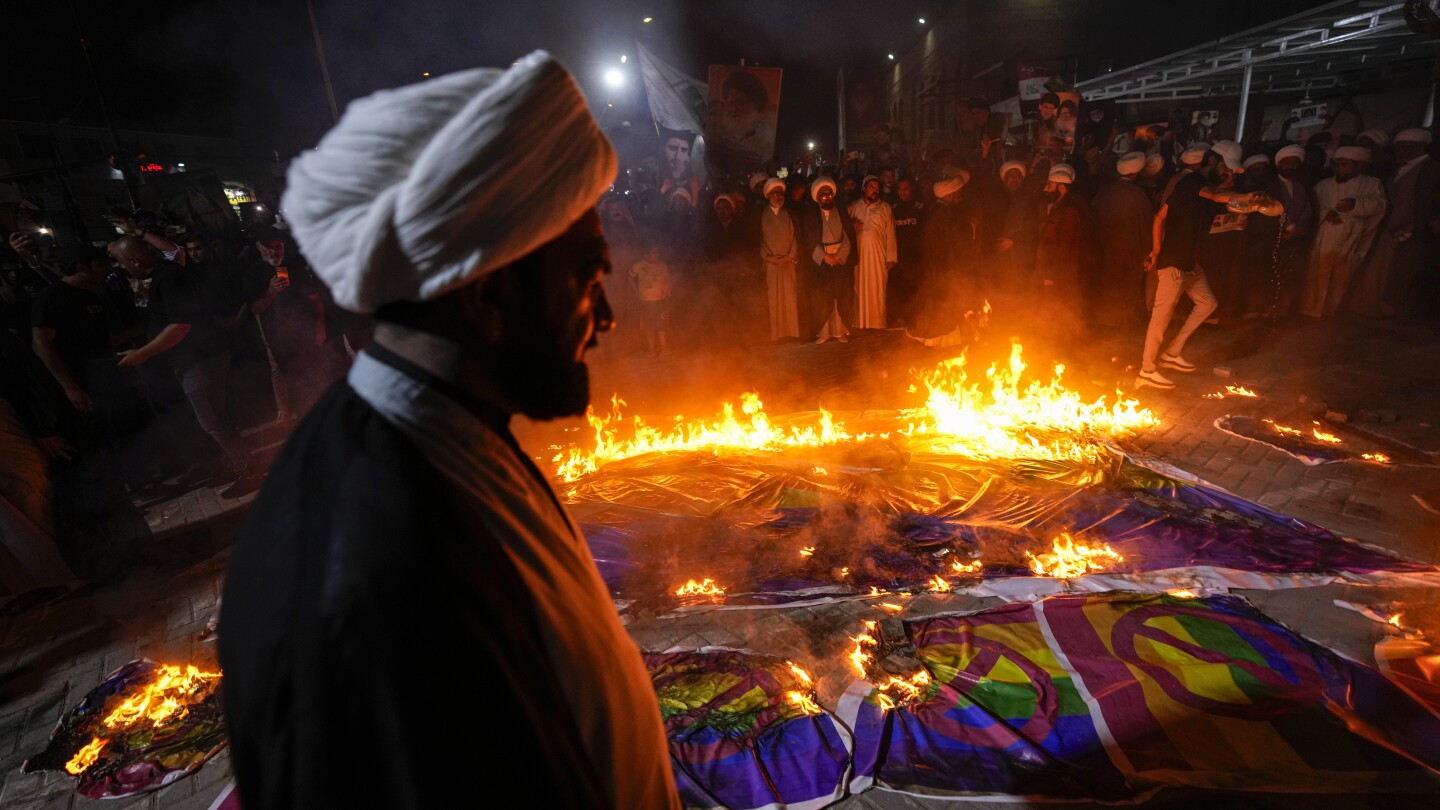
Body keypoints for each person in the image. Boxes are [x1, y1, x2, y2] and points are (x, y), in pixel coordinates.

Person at [219, 53, 680, 809]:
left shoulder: (446, 440)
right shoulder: (371, 575)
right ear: (492, 292)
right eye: (589, 279)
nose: (609, 317)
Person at [109, 236, 257, 495]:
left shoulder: (169, 278)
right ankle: (233, 464)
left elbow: (180, 326)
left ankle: (249, 470)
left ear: (133, 259)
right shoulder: (164, 275)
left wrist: (141, 354)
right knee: (215, 418)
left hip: (200, 359)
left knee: (212, 420)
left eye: (120, 261)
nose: (120, 267)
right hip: (198, 358)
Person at [1139, 141, 1279, 388]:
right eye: (1227, 168)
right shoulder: (1193, 183)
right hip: (1174, 266)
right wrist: (1246, 196)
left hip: (1189, 263)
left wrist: (1155, 249)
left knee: (1208, 303)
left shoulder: (1193, 185)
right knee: (1160, 319)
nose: (1230, 174)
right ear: (1213, 161)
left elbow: (1159, 217)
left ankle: (1171, 354)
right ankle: (1147, 371)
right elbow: (1215, 195)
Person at [1351, 128, 1440, 321]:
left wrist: (1412, 228)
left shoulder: (1431, 170)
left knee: (1402, 273)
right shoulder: (1399, 169)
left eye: (1406, 148)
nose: (1401, 153)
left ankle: (1396, 311)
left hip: (1410, 231)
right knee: (1381, 269)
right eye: (1398, 149)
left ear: (1421, 147)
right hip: (1388, 227)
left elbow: (1428, 203)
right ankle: (1377, 307)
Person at [1304, 146, 1386, 318]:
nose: (1340, 168)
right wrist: (1327, 214)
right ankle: (1312, 309)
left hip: (1351, 238)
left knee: (1341, 278)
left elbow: (1379, 206)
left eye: (1345, 164)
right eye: (1337, 164)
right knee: (1318, 275)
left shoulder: (1372, 184)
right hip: (1325, 238)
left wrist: (1355, 205)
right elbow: (1312, 208)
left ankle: (1331, 311)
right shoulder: (1323, 185)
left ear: (1359, 166)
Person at [1091, 152, 1155, 327]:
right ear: (1135, 173)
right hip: (1129, 251)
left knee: (1106, 285)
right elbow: (1147, 224)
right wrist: (1148, 251)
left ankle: (1102, 321)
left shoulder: (1105, 191)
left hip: (1104, 249)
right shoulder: (1137, 194)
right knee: (1125, 287)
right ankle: (1118, 322)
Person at [799, 177, 857, 343]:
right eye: (823, 195)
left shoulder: (840, 211)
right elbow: (810, 240)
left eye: (829, 194)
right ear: (817, 197)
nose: (827, 198)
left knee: (841, 295)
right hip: (822, 262)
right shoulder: (811, 215)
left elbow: (847, 237)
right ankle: (823, 332)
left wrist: (839, 257)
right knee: (823, 297)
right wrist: (825, 257)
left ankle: (840, 331)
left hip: (840, 260)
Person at [1034, 163, 1086, 335]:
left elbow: (1064, 247)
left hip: (1058, 276)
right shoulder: (1048, 206)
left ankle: (1057, 350)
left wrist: (1051, 276)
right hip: (1044, 271)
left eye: (1049, 185)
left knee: (1056, 313)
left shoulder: (1069, 212)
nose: (1045, 189)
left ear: (1062, 188)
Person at [848, 175, 897, 329]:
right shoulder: (853, 207)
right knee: (859, 288)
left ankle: (877, 323)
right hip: (860, 256)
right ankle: (860, 323)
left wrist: (891, 257)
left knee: (877, 290)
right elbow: (844, 229)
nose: (875, 190)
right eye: (871, 187)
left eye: (877, 188)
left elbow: (891, 233)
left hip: (878, 256)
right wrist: (851, 227)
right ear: (864, 188)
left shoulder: (885, 208)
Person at [759, 177, 801, 339]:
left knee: (790, 297)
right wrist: (770, 258)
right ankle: (777, 335)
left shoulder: (788, 215)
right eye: (775, 194)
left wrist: (790, 257)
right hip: (771, 264)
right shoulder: (762, 215)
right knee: (774, 300)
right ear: (768, 195)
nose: (778, 197)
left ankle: (792, 333)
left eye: (780, 194)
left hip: (788, 263)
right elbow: (759, 240)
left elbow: (795, 238)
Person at [888, 177, 926, 327]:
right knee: (899, 288)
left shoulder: (920, 207)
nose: (903, 192)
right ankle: (900, 317)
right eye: (900, 189)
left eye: (906, 189)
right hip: (899, 257)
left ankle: (915, 317)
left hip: (916, 256)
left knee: (915, 288)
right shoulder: (893, 208)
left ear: (912, 189)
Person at [629, 244, 673, 356]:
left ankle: (664, 348)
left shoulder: (662, 265)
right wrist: (636, 291)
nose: (657, 255)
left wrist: (668, 290)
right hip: (646, 301)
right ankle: (651, 349)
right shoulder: (639, 265)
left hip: (661, 301)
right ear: (646, 254)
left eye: (658, 252)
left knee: (662, 324)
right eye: (654, 253)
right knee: (649, 326)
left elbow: (668, 278)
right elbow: (630, 276)